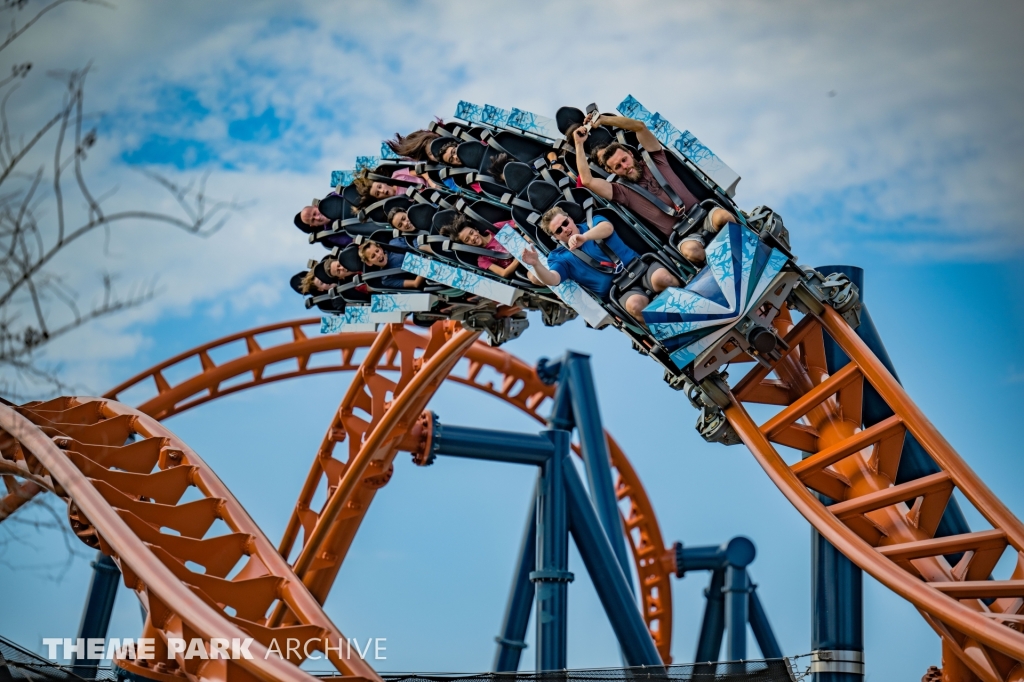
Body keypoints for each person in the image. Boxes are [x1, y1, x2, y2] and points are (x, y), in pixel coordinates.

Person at [569, 114, 735, 266]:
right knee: (692, 252)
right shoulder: (620, 191)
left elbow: (640, 126)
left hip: (703, 215)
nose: (625, 167)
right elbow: (587, 180)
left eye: (624, 160)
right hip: (684, 236)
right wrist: (578, 144)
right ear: (612, 172)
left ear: (630, 154)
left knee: (724, 216)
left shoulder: (654, 160)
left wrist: (604, 120)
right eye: (618, 167)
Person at [521, 205, 679, 322]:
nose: (565, 229)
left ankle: (690, 306)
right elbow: (553, 279)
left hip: (639, 268)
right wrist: (536, 264)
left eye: (565, 223)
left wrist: (585, 237)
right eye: (559, 230)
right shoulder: (559, 256)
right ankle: (673, 329)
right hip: (618, 290)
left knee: (663, 279)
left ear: (570, 218)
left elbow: (607, 228)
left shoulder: (591, 223)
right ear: (555, 237)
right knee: (636, 306)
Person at [440, 214, 520, 278]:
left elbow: (519, 225)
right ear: (466, 244)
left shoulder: (495, 228)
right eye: (467, 239)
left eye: (471, 233)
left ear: (476, 230)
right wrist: (519, 258)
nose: (472, 238)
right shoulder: (482, 260)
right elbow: (504, 273)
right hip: (520, 267)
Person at [357, 241, 425, 290]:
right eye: (373, 256)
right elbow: (415, 284)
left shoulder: (394, 244)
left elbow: (415, 241)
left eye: (377, 251)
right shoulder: (386, 279)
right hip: (427, 272)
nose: (378, 255)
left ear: (381, 249)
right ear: (369, 263)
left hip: (426, 251)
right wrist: (425, 265)